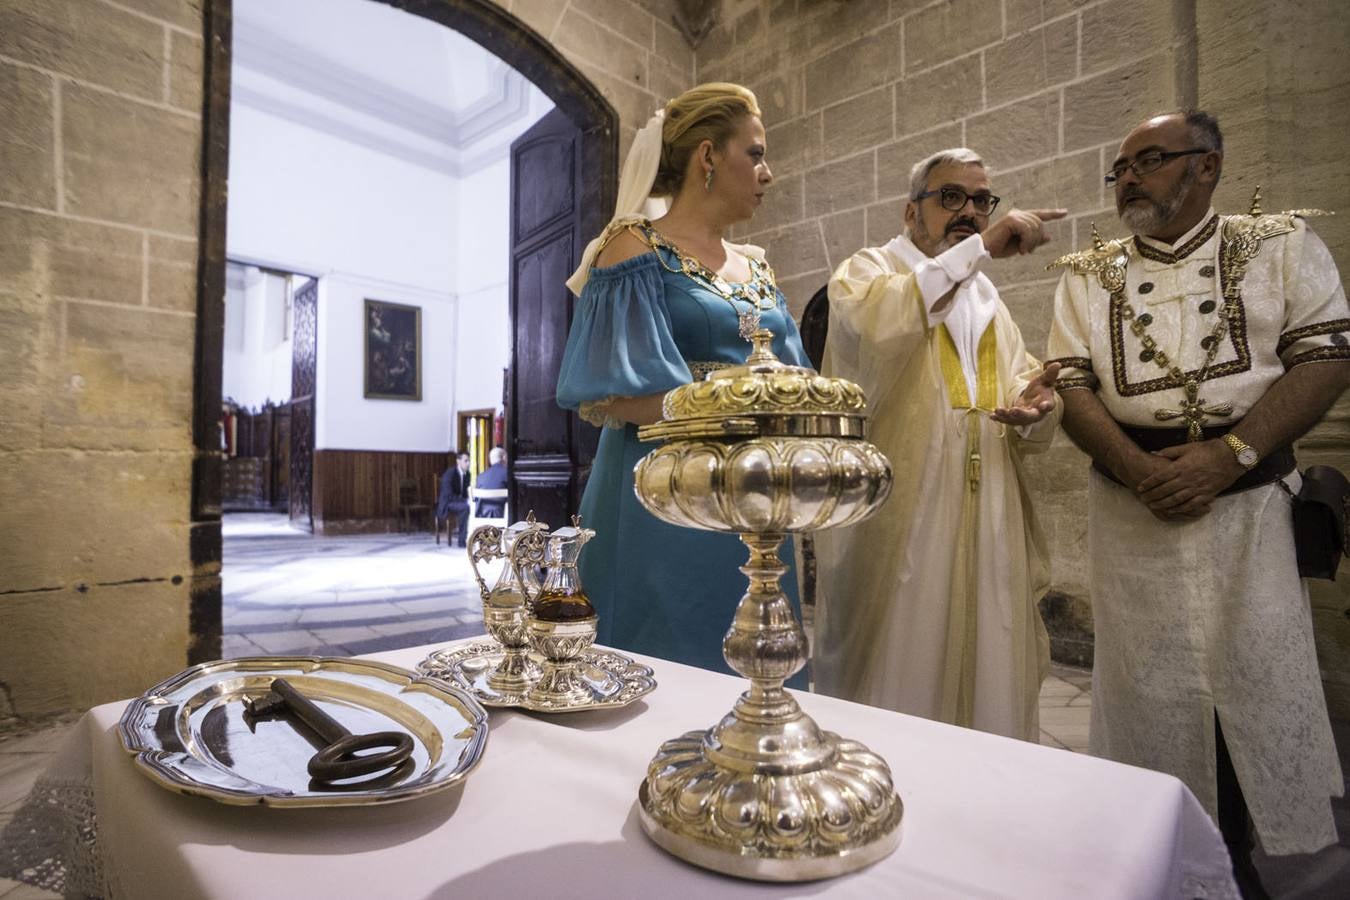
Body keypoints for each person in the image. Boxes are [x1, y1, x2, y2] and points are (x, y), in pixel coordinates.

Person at [1046, 109, 1346, 892]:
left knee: (1257, 683)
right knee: (1148, 692)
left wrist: (1227, 456)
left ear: (1205, 166)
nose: (1129, 181)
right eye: (1119, 170)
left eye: (1147, 161)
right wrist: (1136, 469)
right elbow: (1071, 386)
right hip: (1131, 509)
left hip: (1247, 509)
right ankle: (1154, 856)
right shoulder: (1086, 272)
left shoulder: (1279, 245)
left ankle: (1259, 861)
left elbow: (1323, 356)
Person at [555, 83, 811, 677]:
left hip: (757, 495)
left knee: (757, 666)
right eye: (755, 153)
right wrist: (735, 406)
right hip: (665, 494)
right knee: (664, 660)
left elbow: (796, 375)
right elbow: (615, 394)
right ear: (707, 157)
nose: (767, 173)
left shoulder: (757, 264)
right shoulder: (631, 247)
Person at [812, 148, 1066, 741]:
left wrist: (1035, 406)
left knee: (991, 645)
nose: (970, 212)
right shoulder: (868, 271)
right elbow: (870, 329)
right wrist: (977, 252)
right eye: (951, 197)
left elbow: (1014, 376)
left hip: (988, 507)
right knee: (904, 650)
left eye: (981, 201)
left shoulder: (988, 301)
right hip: (904, 509)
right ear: (910, 212)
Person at [436, 450, 472, 547]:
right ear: (458, 461)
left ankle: (473, 537)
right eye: (466, 461)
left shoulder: (467, 474)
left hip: (459, 503)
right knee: (465, 508)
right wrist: (465, 501)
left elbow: (465, 493)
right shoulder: (450, 474)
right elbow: (448, 495)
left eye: (469, 461)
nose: (468, 463)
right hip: (448, 503)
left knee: (472, 506)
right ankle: (461, 541)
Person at [475, 447, 508, 518]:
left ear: (491, 460)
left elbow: (476, 500)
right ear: (504, 458)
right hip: (502, 514)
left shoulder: (480, 476)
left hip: (482, 514)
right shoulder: (507, 474)